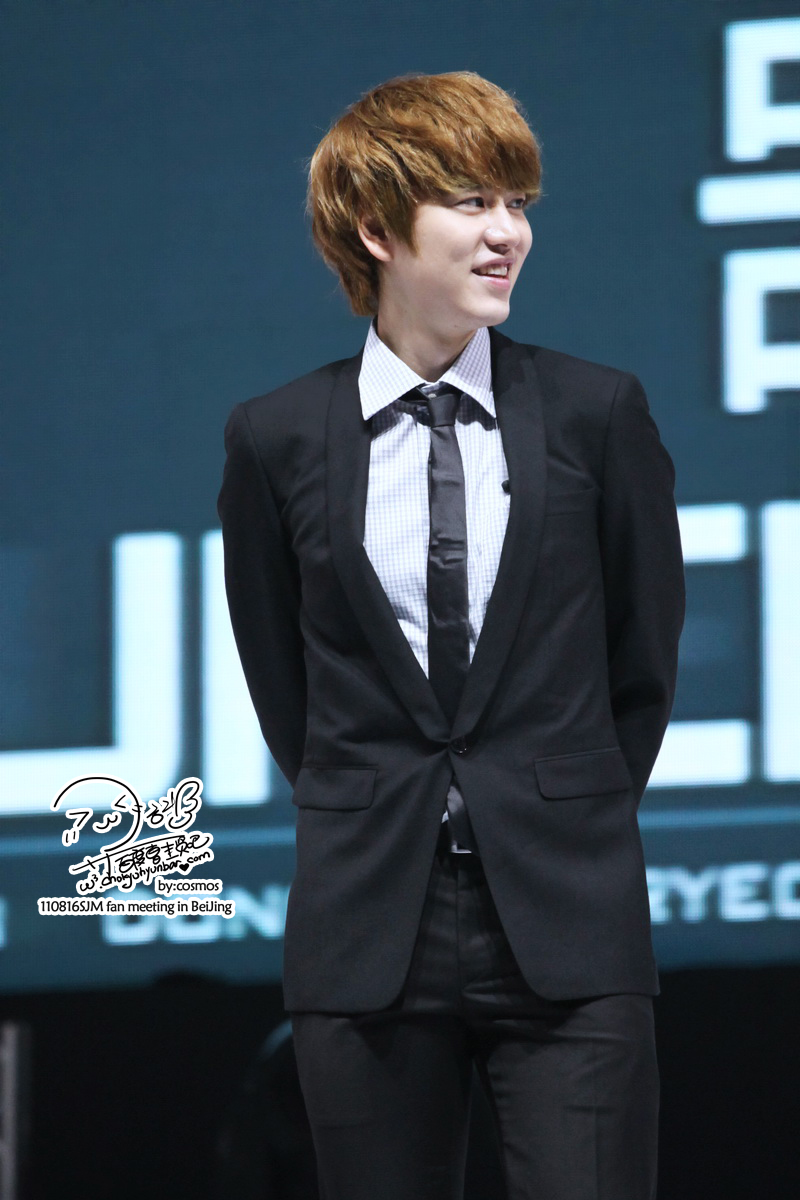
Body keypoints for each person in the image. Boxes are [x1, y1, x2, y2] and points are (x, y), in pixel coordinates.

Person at [217, 70, 685, 1200]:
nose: (506, 233)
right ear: (376, 230)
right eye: (472, 203)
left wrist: (555, 807)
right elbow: (286, 686)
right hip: (368, 926)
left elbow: (643, 659)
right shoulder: (275, 437)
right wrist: (376, 803)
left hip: (566, 918)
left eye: (516, 204)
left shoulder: (596, 412)